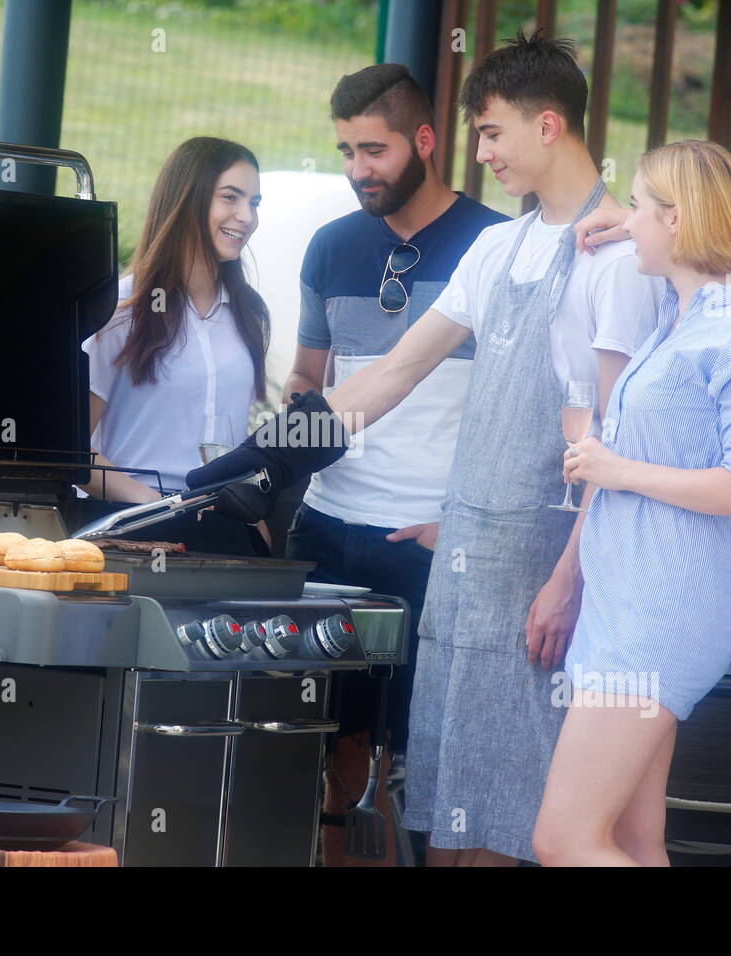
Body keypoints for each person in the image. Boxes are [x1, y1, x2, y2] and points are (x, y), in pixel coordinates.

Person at [190, 29, 662, 865]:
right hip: (462, 582)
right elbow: (389, 377)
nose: (480, 153)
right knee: (447, 818)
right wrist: (265, 454)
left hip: (539, 575)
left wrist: (565, 581)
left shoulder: (618, 255)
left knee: (520, 823)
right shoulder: (499, 246)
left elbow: (618, 446)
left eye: (491, 133)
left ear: (548, 126)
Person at [531, 139, 731, 866]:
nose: (630, 221)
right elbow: (663, 439)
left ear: (676, 221)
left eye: (642, 208)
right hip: (632, 598)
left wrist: (618, 470)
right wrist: (628, 222)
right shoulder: (681, 317)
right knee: (632, 843)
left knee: (564, 842)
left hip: (663, 608)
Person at [282, 62, 509, 867]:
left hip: (431, 536)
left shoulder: (496, 245)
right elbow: (310, 380)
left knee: (422, 746)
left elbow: (518, 412)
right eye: (344, 150)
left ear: (422, 140)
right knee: (334, 752)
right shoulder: (331, 246)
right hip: (332, 527)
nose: (356, 171)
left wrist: (464, 522)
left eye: (371, 150)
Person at [70, 136, 272, 555]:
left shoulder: (249, 313)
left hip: (227, 532)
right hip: (134, 532)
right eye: (230, 198)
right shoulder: (120, 309)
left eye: (254, 202)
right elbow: (72, 453)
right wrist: (158, 505)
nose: (246, 217)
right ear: (188, 200)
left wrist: (261, 535)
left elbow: (235, 446)